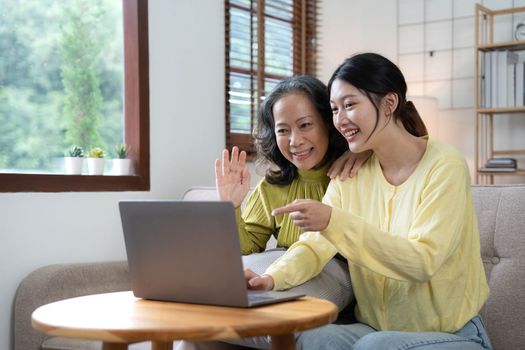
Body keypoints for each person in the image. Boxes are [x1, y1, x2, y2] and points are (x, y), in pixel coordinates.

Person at [246, 53, 492, 350]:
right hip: (374, 330)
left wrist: (334, 221)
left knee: (375, 346)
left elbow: (422, 262)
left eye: (349, 105)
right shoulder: (351, 174)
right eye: (335, 109)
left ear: (389, 103)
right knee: (313, 337)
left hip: (453, 335)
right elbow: (314, 246)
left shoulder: (445, 166)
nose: (340, 119)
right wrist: (269, 279)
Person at [215, 75, 367, 255]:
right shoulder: (271, 188)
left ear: (328, 123)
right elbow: (247, 248)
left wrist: (367, 150)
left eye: (305, 125)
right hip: (287, 280)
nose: (295, 141)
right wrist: (230, 206)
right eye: (283, 130)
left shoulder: (358, 172)